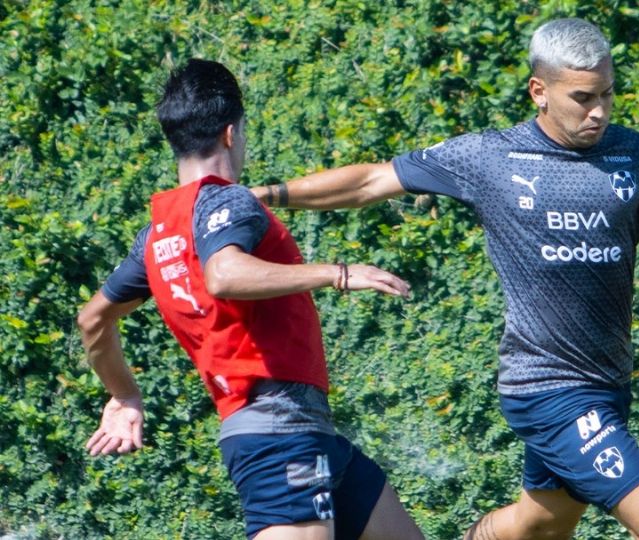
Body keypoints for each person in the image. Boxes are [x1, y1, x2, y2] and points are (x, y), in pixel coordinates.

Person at [253, 18, 639, 540]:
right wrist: (265, 195)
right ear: (539, 90)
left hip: (609, 383)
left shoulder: (636, 154)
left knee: (540, 525)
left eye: (607, 93)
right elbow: (373, 180)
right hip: (545, 386)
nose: (598, 110)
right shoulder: (490, 157)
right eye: (582, 97)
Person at [76, 58, 425, 540]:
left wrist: (125, 394)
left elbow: (93, 319)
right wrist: (337, 273)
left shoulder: (158, 237)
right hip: (279, 434)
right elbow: (224, 274)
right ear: (230, 133)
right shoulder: (230, 200)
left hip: (305, 430)